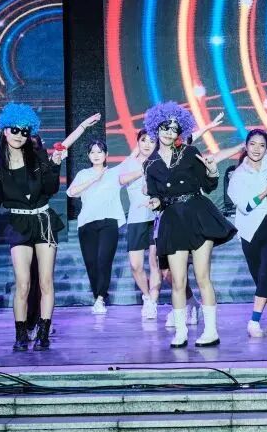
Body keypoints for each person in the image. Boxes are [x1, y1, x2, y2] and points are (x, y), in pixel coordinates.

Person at [143, 101, 236, 348]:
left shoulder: (189, 152)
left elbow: (209, 186)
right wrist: (155, 202)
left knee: (202, 275)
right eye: (165, 127)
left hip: (198, 215)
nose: (169, 132)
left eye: (174, 129)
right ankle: (181, 331)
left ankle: (211, 331)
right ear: (156, 127)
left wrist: (213, 171)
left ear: (180, 131)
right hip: (173, 221)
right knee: (178, 281)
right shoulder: (150, 164)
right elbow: (156, 197)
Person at [0, 102, 65, 351]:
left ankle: (43, 332)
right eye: (15, 130)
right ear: (5, 130)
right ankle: (20, 334)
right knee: (22, 283)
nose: (20, 135)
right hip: (19, 223)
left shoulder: (37, 157)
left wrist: (56, 165)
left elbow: (51, 189)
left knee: (46, 282)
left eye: (25, 131)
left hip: (43, 220)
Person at [226, 129, 267, 337]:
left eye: (262, 145)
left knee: (264, 275)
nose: (257, 149)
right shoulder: (237, 176)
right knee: (260, 279)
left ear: (266, 148)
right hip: (248, 230)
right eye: (252, 144)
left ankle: (254, 321)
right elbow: (246, 206)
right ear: (246, 146)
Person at [68, 140, 126, 314]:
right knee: (91, 262)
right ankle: (97, 296)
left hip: (109, 221)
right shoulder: (83, 174)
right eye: (92, 152)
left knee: (103, 259)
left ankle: (100, 298)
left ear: (106, 155)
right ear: (88, 155)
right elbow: (71, 192)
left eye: (100, 152)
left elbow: (134, 161)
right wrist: (94, 179)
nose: (96, 155)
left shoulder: (115, 172)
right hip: (87, 223)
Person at [118, 130, 161, 320]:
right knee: (135, 265)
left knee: (154, 262)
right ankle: (146, 296)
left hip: (156, 217)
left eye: (152, 141)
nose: (147, 144)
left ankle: (153, 301)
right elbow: (121, 180)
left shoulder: (160, 162)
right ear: (137, 143)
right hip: (136, 219)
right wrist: (143, 169)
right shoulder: (129, 162)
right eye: (144, 140)